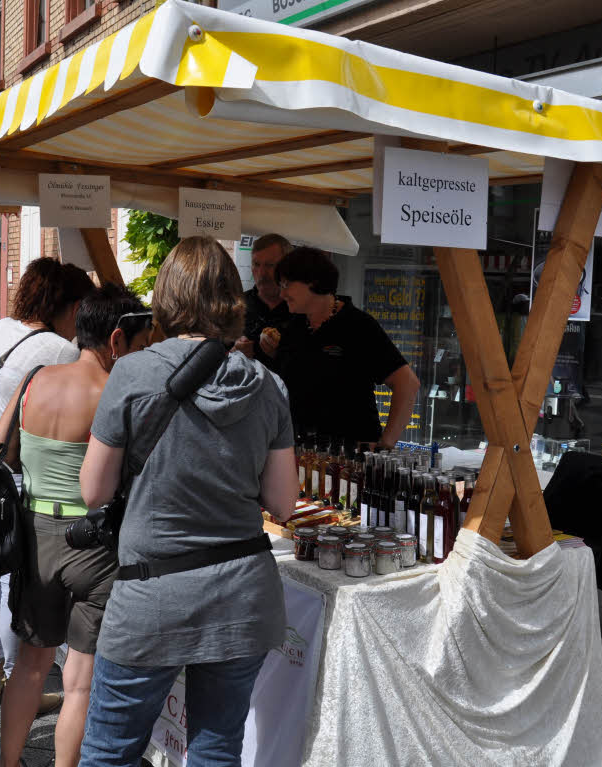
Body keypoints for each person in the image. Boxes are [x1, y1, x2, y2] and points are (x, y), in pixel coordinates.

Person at [77, 236, 298, 767]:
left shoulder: (132, 372)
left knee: (110, 751)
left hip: (153, 591)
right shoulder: (269, 385)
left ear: (166, 296)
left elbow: (94, 491)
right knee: (216, 749)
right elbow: (283, 503)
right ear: (232, 299)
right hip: (243, 591)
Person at [0, 284, 152, 767]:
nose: (144, 353)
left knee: (30, 667)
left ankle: (7, 762)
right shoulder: (118, 394)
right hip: (97, 546)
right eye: (142, 343)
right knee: (80, 680)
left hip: (36, 537)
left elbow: (1, 453)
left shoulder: (34, 379)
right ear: (116, 340)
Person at [0, 258, 96, 711]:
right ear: (73, 305)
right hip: (15, 472)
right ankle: (12, 678)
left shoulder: (2, 328)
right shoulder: (59, 352)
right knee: (14, 581)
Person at [273, 246, 420, 449]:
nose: (281, 293)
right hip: (301, 452)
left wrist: (385, 444)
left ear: (313, 282)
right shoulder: (294, 326)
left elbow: (407, 383)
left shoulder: (358, 326)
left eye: (286, 284)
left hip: (349, 457)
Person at [235, 233, 293, 369]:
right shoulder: (236, 306)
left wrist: (279, 355)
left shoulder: (300, 309)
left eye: (270, 265)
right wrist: (235, 354)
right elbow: (214, 361)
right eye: (256, 264)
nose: (261, 273)